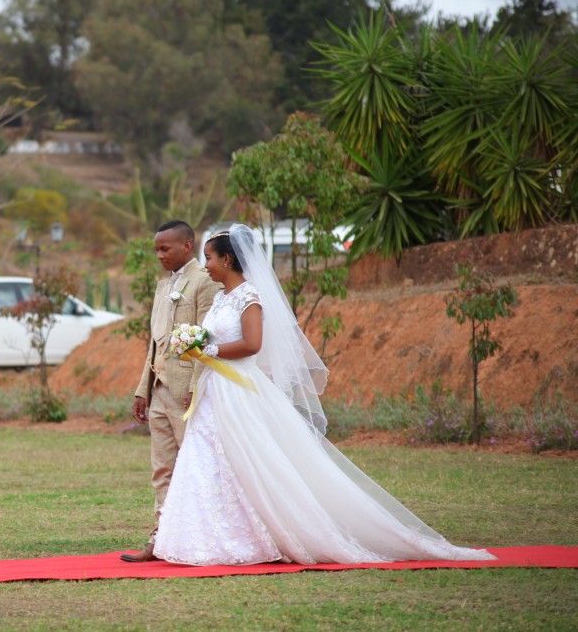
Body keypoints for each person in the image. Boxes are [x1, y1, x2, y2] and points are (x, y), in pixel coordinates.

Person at [151, 225, 496, 566]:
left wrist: (206, 348)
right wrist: (195, 346)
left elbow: (252, 345)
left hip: (239, 391)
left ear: (227, 260)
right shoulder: (222, 298)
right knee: (209, 464)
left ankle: (268, 534)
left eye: (209, 257)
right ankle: (213, 536)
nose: (206, 263)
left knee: (253, 463)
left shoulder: (248, 296)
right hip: (215, 391)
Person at [121, 220, 222, 563]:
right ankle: (160, 538)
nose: (159, 255)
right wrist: (141, 390)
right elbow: (154, 343)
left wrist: (196, 387)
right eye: (157, 249)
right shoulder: (163, 286)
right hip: (159, 391)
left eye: (165, 248)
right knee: (162, 469)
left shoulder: (205, 282)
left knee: (196, 466)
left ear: (187, 246)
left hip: (186, 392)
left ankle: (203, 538)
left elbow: (207, 340)